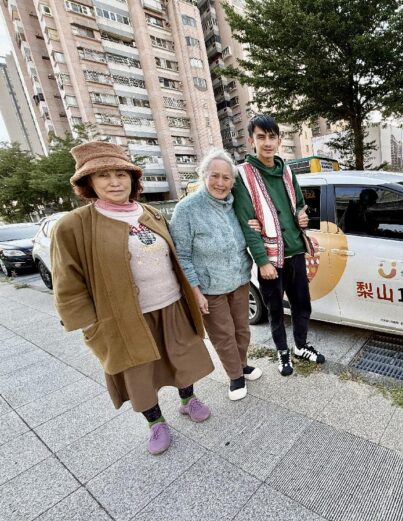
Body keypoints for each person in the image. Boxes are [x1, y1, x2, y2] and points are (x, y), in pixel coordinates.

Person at [51, 141, 214, 456]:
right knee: (139, 373)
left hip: (172, 305)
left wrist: (192, 292)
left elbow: (175, 257)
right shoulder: (74, 226)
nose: (114, 182)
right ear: (88, 183)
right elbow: (67, 281)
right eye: (104, 176)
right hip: (124, 318)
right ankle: (156, 423)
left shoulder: (150, 213)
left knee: (183, 358)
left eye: (121, 174)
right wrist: (91, 326)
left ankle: (187, 399)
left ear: (133, 179)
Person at [233, 114, 326, 376]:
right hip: (271, 259)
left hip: (295, 251)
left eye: (272, 137)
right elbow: (247, 223)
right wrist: (262, 262)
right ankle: (282, 352)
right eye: (261, 137)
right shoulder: (242, 175)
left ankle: (301, 346)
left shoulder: (286, 169)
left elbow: (299, 204)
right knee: (275, 310)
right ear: (251, 141)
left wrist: (301, 215)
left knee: (302, 304)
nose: (267, 142)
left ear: (279, 140)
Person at [170, 148, 262, 401]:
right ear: (204, 176)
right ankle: (235, 376)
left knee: (242, 330)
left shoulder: (235, 204)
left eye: (226, 177)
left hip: (239, 280)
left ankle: (242, 364)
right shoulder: (187, 209)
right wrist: (195, 291)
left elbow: (251, 230)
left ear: (233, 182)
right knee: (223, 335)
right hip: (210, 287)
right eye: (215, 176)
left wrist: (255, 224)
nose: (220, 183)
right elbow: (181, 256)